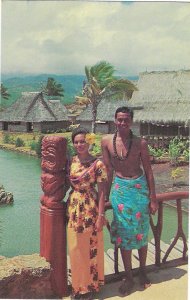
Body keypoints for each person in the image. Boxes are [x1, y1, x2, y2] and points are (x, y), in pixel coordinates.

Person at [101, 106, 158, 296]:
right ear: (115, 120)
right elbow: (108, 172)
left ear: (131, 121)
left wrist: (153, 199)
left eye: (126, 120)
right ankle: (129, 276)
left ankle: (142, 271)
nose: (122, 123)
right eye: (119, 119)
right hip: (120, 191)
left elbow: (149, 172)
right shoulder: (106, 142)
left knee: (141, 232)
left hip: (139, 190)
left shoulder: (140, 143)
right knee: (124, 236)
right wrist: (104, 198)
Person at [66, 128, 107, 300]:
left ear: (88, 142)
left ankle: (90, 286)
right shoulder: (71, 161)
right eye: (76, 142)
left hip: (90, 207)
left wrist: (100, 216)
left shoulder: (97, 164)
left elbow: (103, 192)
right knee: (75, 248)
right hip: (74, 208)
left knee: (90, 247)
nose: (79, 144)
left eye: (82, 141)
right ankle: (78, 286)